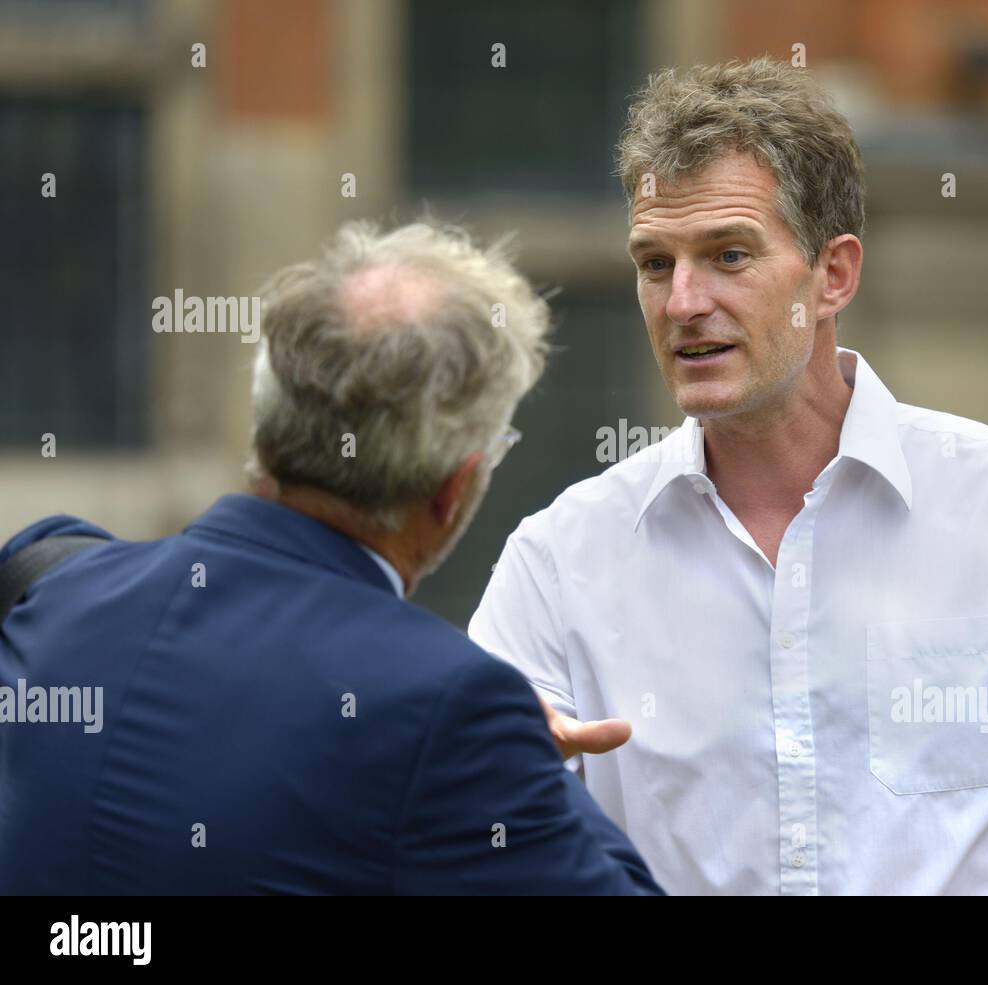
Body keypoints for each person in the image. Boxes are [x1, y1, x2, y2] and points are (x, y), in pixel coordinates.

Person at [468, 58, 988, 895]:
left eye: (728, 255)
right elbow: (455, 837)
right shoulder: (558, 563)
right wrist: (496, 800)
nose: (683, 302)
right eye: (656, 263)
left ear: (834, 274)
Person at [0, 218, 663, 895]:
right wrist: (525, 757)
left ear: (269, 420)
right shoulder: (449, 712)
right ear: (454, 486)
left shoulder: (49, 586)